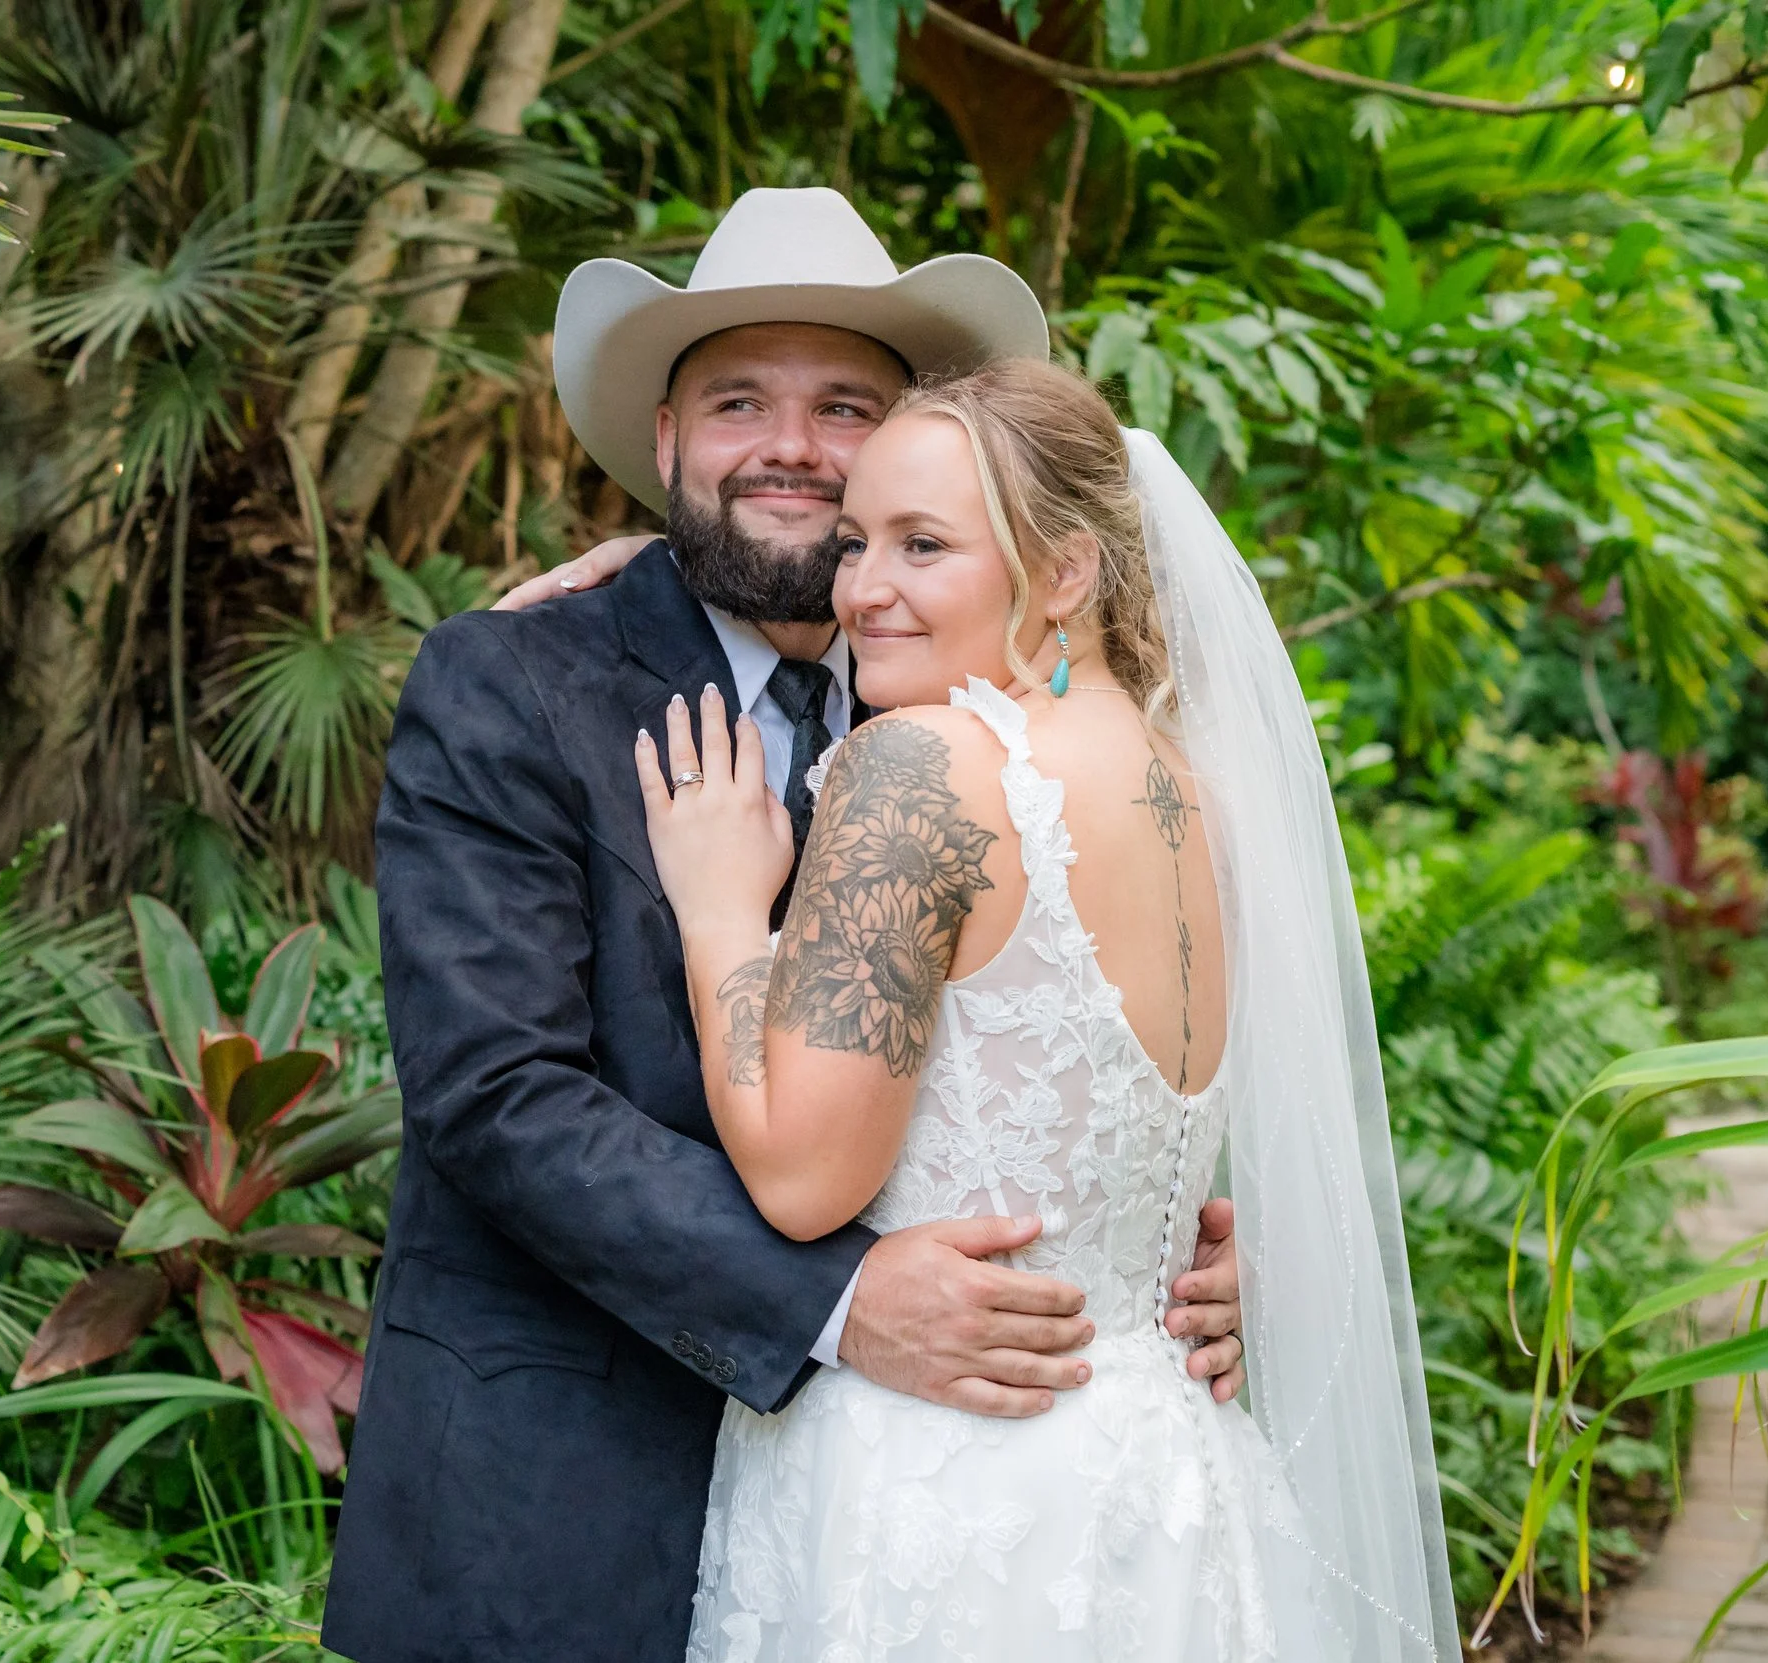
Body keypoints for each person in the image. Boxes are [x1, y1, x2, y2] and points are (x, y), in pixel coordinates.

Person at [323, 188, 1248, 1663]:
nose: (794, 448)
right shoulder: (509, 683)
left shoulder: (964, 726)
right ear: (670, 441)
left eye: (844, 406)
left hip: (931, 1518)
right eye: (740, 399)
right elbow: (494, 1097)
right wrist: (838, 1299)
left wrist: (1158, 1250)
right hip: (561, 1513)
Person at [634, 358, 1458, 1659]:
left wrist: (724, 911)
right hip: (1166, 1479)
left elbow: (801, 1176)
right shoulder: (1201, 795)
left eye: (923, 544)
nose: (861, 588)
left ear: (1065, 572)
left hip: (943, 1486)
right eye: (855, 541)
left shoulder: (922, 767)